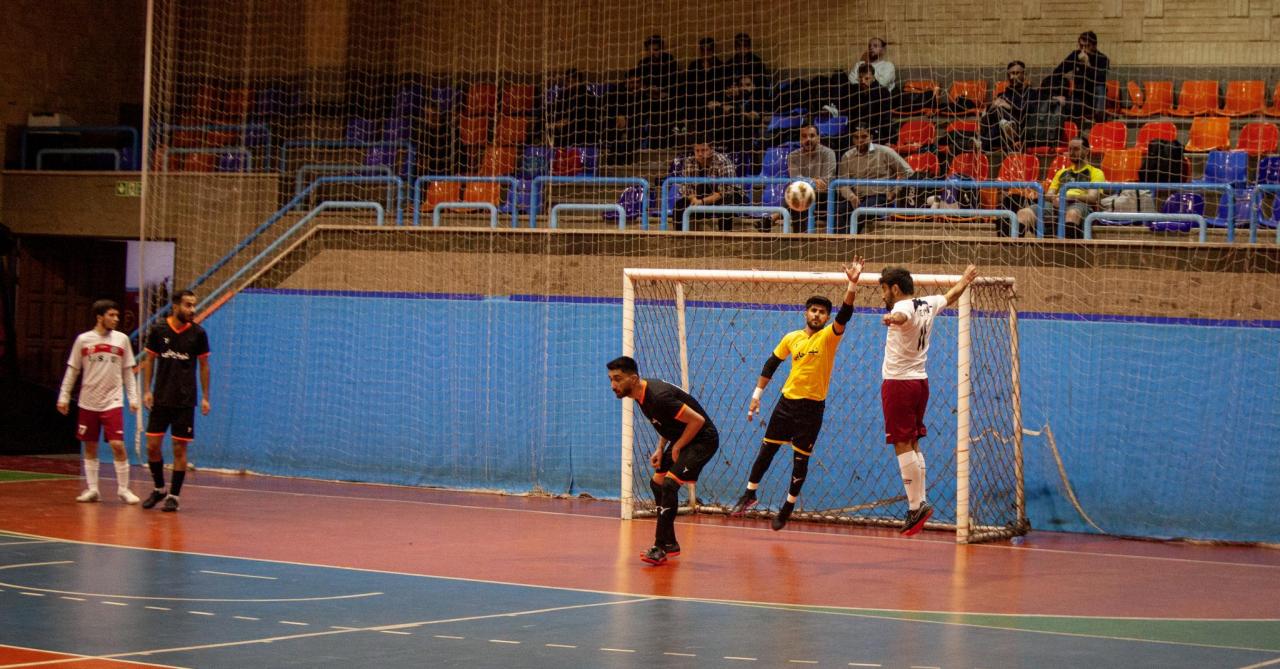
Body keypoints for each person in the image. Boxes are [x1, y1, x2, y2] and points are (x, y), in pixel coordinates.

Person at [730, 257, 864, 531]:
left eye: (822, 312)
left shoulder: (829, 337)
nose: (817, 315)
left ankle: (788, 507)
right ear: (805, 313)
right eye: (813, 310)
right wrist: (756, 395)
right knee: (766, 451)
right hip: (786, 404)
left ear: (826, 317)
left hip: (811, 409)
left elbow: (845, 315)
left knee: (800, 461)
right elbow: (771, 364)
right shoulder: (791, 337)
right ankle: (750, 494)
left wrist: (852, 285)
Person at [877, 264, 979, 535]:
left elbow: (901, 315)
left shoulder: (903, 307)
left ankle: (915, 506)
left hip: (898, 383)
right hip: (920, 382)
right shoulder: (929, 302)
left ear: (895, 288)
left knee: (901, 442)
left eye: (884, 289)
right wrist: (964, 280)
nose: (883, 296)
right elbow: (951, 296)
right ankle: (920, 502)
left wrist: (892, 318)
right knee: (912, 442)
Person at [607, 356, 720, 565]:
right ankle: (670, 542)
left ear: (633, 379)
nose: (613, 385)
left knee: (669, 484)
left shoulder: (658, 396)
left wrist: (676, 446)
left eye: (618, 379)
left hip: (703, 439)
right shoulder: (640, 396)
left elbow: (697, 421)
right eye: (611, 379)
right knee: (657, 483)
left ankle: (660, 546)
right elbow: (667, 423)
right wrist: (660, 448)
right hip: (684, 437)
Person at [57, 299, 141, 504]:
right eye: (111, 315)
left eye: (117, 315)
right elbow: (73, 369)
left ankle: (123, 489)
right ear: (99, 317)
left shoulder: (122, 340)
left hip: (113, 400)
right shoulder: (83, 340)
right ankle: (93, 489)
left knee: (117, 445)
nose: (116, 319)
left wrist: (133, 397)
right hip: (88, 401)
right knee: (90, 445)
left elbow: (128, 372)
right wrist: (64, 396)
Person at [139, 290, 211, 512]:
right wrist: (147, 390)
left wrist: (206, 397)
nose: (192, 309)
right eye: (188, 305)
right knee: (152, 447)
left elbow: (204, 366)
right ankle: (159, 488)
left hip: (185, 401)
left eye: (194, 305)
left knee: (179, 449)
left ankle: (174, 496)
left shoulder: (199, 333)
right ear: (176, 306)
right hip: (161, 398)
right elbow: (149, 360)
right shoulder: (159, 329)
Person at [1017, 136, 1104, 239]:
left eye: (1076, 149)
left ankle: (1070, 247)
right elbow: (1050, 194)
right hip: (1056, 205)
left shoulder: (1096, 172)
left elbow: (1093, 198)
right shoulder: (1061, 172)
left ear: (1087, 151)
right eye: (1070, 149)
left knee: (1072, 214)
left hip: (1079, 205)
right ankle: (1014, 246)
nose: (1072, 152)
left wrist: (1070, 197)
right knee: (1024, 213)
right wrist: (1054, 198)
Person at [835, 124, 914, 234]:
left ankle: (848, 241)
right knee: (840, 210)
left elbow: (907, 172)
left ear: (871, 137)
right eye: (856, 137)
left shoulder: (885, 152)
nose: (860, 140)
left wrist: (895, 191)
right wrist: (851, 196)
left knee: (861, 211)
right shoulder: (847, 156)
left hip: (881, 196)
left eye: (864, 137)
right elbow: (842, 184)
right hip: (857, 197)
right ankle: (840, 241)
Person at [673, 136, 744, 232]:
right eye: (697, 151)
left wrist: (702, 202)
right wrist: (694, 199)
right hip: (701, 196)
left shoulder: (722, 161)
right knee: (679, 206)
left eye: (704, 150)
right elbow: (687, 187)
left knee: (725, 206)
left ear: (711, 150)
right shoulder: (689, 162)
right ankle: (678, 237)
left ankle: (725, 238)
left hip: (727, 195)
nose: (700, 154)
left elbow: (725, 191)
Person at [1047, 31, 1110, 123]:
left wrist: (1087, 64)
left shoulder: (1102, 59)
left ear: (1094, 46)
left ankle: (1099, 119)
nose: (1083, 50)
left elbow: (1100, 79)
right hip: (1078, 98)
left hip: (1094, 100)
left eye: (1087, 46)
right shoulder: (1075, 55)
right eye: (1081, 46)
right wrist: (1057, 94)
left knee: (1100, 87)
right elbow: (1058, 71)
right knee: (1060, 101)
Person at [979, 60, 1034, 153]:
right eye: (1010, 74)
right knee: (996, 118)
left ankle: (981, 145)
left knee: (999, 111)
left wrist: (1009, 106)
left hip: (1020, 132)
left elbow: (1028, 111)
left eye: (1016, 73)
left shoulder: (1031, 93)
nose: (1012, 77)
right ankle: (1005, 126)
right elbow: (986, 118)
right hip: (1000, 135)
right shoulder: (1003, 94)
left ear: (1024, 74)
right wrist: (992, 107)